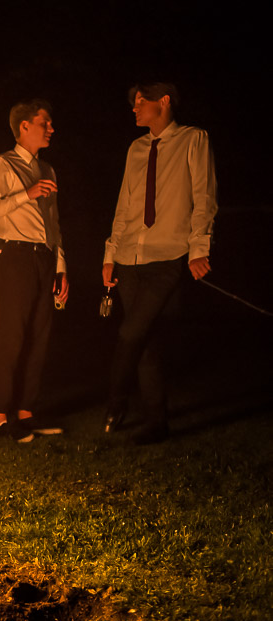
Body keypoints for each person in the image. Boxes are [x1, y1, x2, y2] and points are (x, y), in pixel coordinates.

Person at [102, 82, 217, 445]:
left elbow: (204, 195)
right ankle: (157, 422)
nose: (134, 108)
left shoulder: (193, 139)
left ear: (163, 101)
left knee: (129, 333)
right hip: (129, 257)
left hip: (167, 256)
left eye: (140, 102)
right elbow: (125, 205)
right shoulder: (135, 148)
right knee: (145, 341)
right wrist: (110, 254)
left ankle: (115, 401)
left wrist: (199, 247)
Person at [0, 99, 68, 443]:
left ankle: (27, 413)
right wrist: (24, 195)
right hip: (15, 255)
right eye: (45, 122)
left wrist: (61, 266)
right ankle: (0, 417)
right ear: (24, 126)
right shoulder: (4, 163)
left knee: (38, 337)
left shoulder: (48, 170)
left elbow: (53, 223)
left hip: (44, 258)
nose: (51, 129)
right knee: (12, 335)